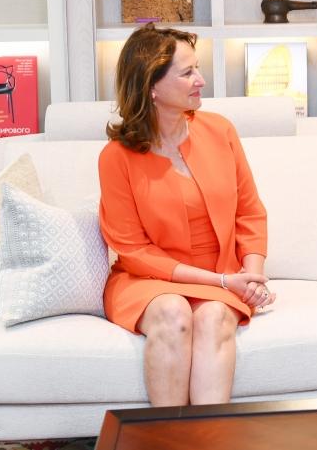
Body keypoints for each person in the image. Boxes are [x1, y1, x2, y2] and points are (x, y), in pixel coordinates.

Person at [98, 23, 275, 406]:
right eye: (187, 72)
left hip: (223, 274)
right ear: (151, 86)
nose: (201, 80)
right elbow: (133, 251)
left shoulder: (220, 131)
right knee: (173, 313)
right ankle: (168, 435)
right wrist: (223, 281)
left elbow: (250, 213)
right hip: (149, 280)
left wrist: (251, 276)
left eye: (198, 68)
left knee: (213, 318)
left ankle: (207, 436)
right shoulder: (116, 158)